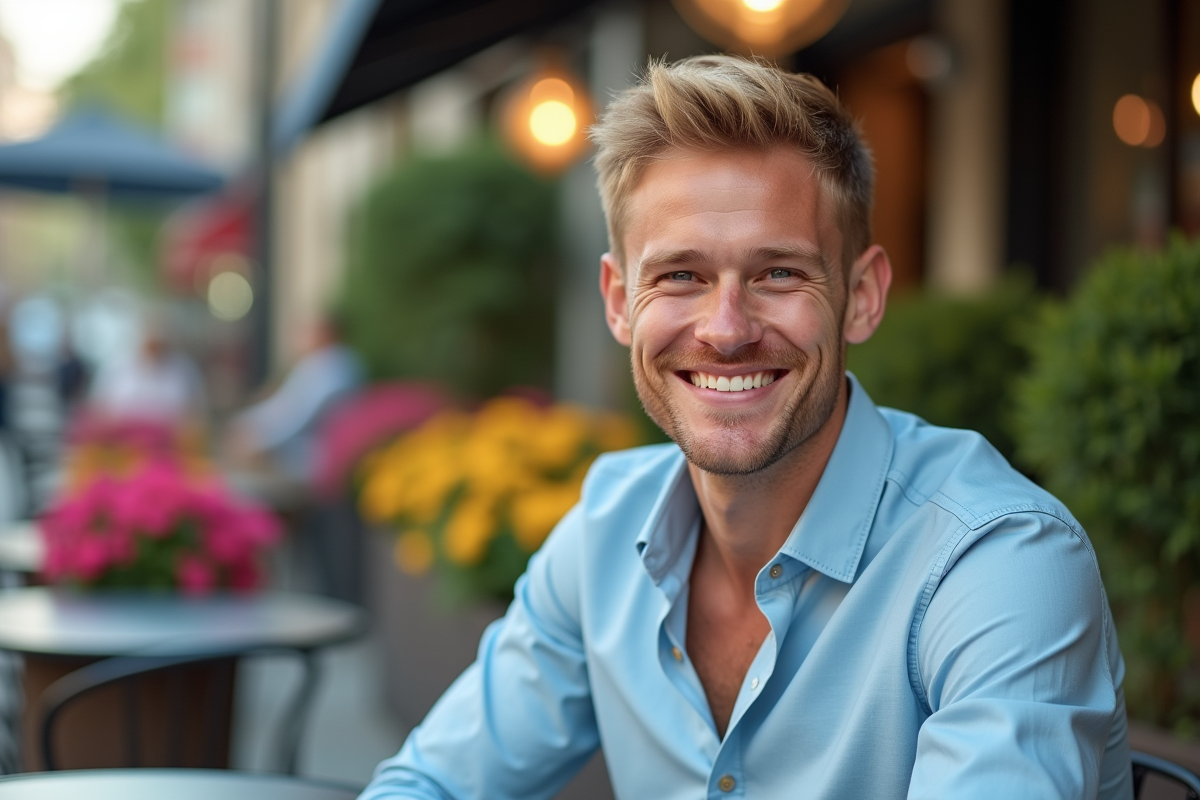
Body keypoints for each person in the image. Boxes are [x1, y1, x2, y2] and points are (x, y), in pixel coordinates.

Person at [363, 56, 1131, 799]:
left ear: (862, 296)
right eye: (681, 276)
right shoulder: (606, 531)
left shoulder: (998, 562)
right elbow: (430, 782)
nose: (726, 329)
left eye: (779, 273)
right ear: (619, 300)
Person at [226, 314, 364, 482]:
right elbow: (284, 406)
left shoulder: (331, 366)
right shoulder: (325, 362)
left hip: (313, 455)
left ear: (326, 333)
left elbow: (300, 414)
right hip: (308, 449)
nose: (302, 339)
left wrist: (259, 439)